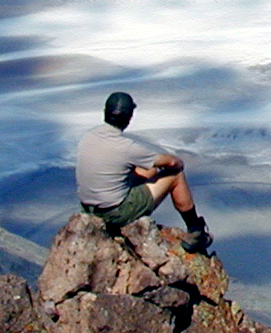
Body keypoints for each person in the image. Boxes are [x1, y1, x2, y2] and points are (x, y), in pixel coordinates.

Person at [76, 91, 212, 253]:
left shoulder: (88, 137)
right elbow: (172, 162)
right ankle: (195, 231)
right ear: (129, 117)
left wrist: (150, 171)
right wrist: (175, 164)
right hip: (114, 213)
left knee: (142, 172)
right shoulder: (126, 147)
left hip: (88, 209)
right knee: (175, 175)